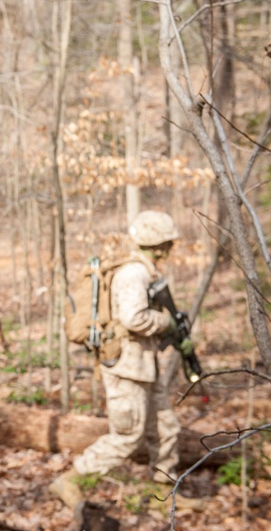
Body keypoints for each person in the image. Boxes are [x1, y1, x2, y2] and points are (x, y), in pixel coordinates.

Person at [50, 210, 201, 511]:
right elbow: (133, 318)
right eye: (168, 242)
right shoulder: (134, 273)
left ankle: (162, 494)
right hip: (127, 367)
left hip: (144, 365)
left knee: (165, 428)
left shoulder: (146, 271)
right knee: (128, 435)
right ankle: (72, 478)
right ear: (158, 244)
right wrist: (166, 323)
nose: (171, 248)